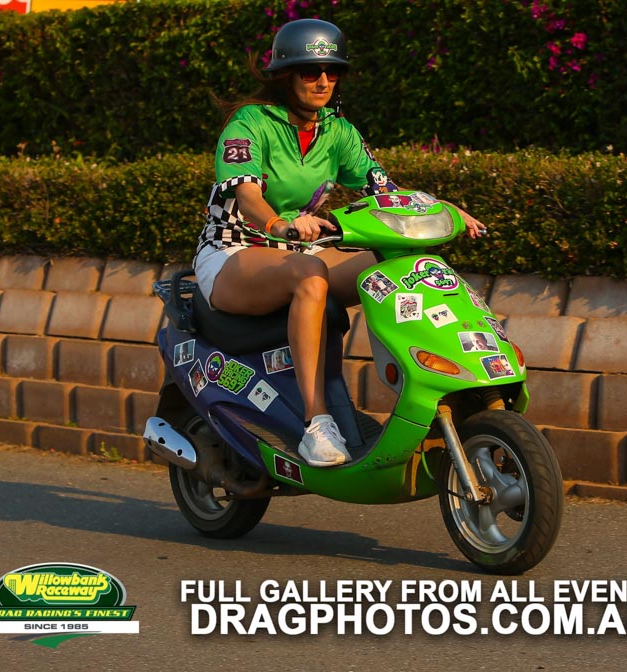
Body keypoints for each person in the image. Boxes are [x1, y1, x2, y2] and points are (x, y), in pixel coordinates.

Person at [194, 18, 485, 467]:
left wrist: (440, 207)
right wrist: (278, 225)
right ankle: (317, 423)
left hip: (298, 250)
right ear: (285, 76)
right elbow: (247, 195)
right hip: (233, 251)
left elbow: (384, 191)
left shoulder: (338, 130)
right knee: (311, 275)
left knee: (399, 263)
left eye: (333, 71)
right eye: (310, 71)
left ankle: (433, 385)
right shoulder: (250, 123)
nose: (323, 81)